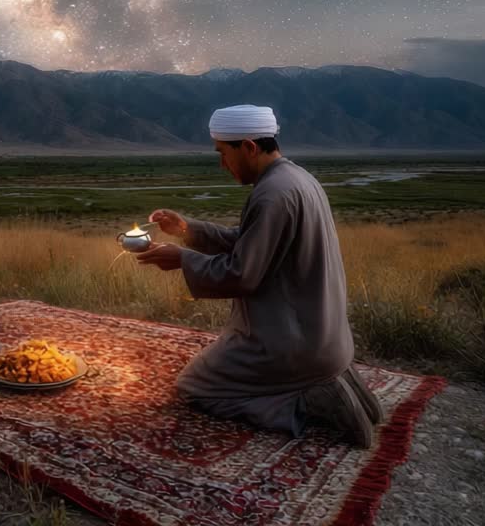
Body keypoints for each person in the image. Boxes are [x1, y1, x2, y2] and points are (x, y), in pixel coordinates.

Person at [135, 104, 383, 448]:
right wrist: (186, 230)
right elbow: (251, 243)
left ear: (249, 147)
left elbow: (242, 274)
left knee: (194, 386)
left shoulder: (272, 194)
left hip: (291, 347)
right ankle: (332, 379)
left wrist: (183, 260)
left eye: (224, 153)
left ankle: (304, 401)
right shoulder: (296, 178)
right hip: (327, 338)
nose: (222, 164)